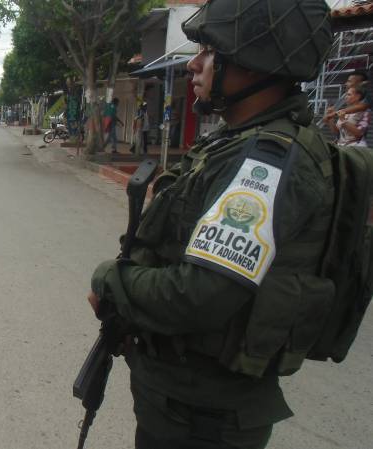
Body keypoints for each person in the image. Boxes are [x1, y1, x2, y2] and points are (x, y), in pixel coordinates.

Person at [87, 1, 335, 448]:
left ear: (255, 64)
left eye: (210, 51)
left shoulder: (265, 165)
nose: (193, 64)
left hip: (202, 419)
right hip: (183, 403)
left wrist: (110, 280)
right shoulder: (235, 143)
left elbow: (200, 295)